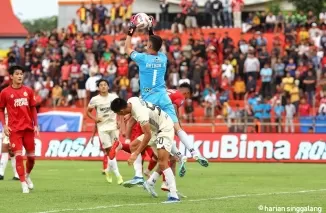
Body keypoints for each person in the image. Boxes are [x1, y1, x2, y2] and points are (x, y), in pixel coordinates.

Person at [123, 19, 208, 181]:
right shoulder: (163, 58)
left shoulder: (142, 59)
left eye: (147, 42)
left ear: (148, 46)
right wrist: (150, 29)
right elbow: (155, 42)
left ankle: (145, 172)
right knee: (177, 128)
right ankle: (195, 152)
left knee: (159, 131)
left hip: (150, 102)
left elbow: (127, 47)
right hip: (164, 96)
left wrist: (131, 30)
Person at [111, 97, 180, 203]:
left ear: (121, 111)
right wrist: (129, 114)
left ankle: (174, 195)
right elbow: (138, 103)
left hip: (164, 129)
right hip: (155, 128)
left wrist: (136, 154)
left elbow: (147, 135)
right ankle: (144, 179)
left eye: (118, 114)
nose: (119, 116)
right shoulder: (132, 100)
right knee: (133, 146)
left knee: (163, 162)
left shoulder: (140, 114)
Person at [0, 65, 39, 193]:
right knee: (18, 156)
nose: (20, 76)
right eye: (17, 74)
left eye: (21, 74)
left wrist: (35, 124)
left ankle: (27, 175)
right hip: (14, 130)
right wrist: (4, 125)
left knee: (32, 158)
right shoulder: (5, 92)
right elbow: (0, 109)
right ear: (11, 76)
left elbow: (33, 108)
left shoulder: (28, 91)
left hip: (28, 128)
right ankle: (23, 183)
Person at [87, 79, 123, 185]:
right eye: (101, 85)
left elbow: (120, 110)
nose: (103, 86)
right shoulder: (95, 99)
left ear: (108, 87)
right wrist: (95, 119)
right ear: (98, 88)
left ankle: (108, 170)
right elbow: (87, 112)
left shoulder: (114, 97)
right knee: (109, 152)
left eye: (105, 85)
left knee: (114, 149)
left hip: (113, 126)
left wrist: (120, 121)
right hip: (102, 128)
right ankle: (118, 175)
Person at [0, 109, 19, 180]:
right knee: (6, 151)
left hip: (13, 130)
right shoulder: (3, 106)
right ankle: (1, 173)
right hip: (5, 130)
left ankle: (17, 174)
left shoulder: (13, 105)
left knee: (12, 152)